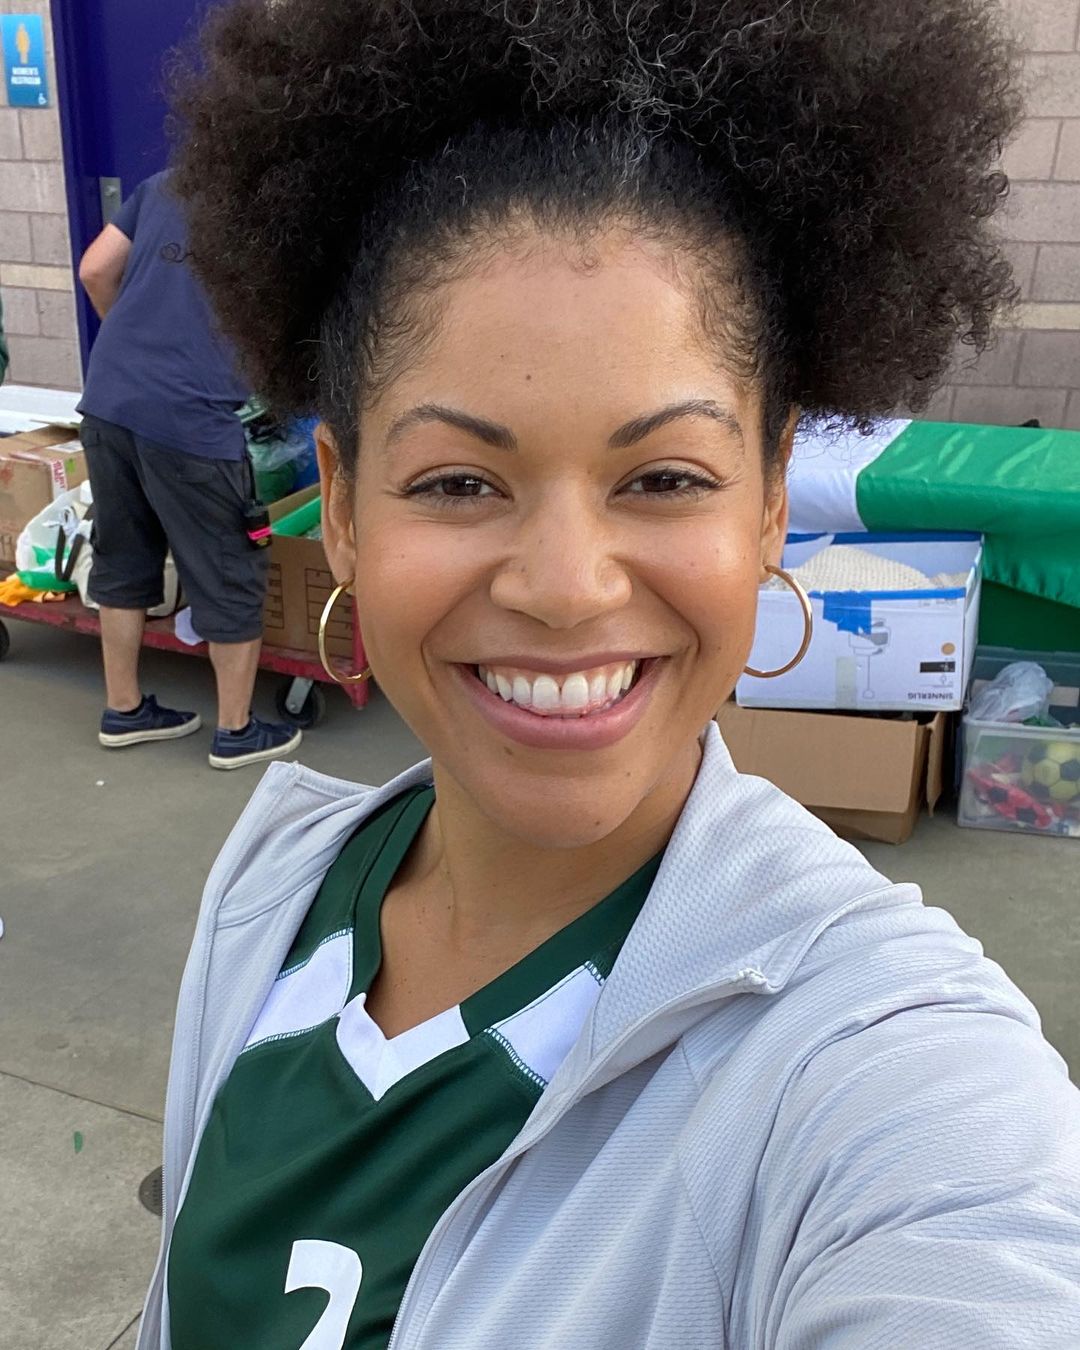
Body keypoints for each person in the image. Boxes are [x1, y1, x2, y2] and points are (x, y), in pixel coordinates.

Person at [138, 1, 1080, 1346]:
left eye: (666, 478)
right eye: (458, 481)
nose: (568, 585)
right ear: (340, 506)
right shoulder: (268, 895)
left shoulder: (879, 1058)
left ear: (771, 500)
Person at [76, 171, 302, 769]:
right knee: (230, 566)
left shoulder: (165, 184)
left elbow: (95, 269)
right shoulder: (279, 203)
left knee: (122, 555)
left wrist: (136, 351)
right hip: (190, 418)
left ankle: (123, 710)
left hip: (109, 401)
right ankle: (237, 730)